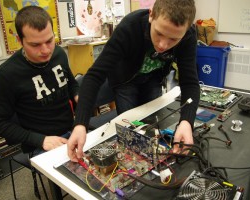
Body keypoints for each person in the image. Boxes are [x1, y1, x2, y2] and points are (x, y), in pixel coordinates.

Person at [68, 0, 200, 162]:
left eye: (173, 39)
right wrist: (80, 123)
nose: (163, 45)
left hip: (153, 78)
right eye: (159, 33)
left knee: (152, 124)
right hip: (125, 80)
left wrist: (186, 122)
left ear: (186, 30)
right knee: (130, 133)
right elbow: (95, 75)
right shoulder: (129, 27)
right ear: (151, 14)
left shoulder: (188, 36)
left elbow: (190, 82)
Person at [0, 5, 78, 171]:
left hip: (72, 129)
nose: (45, 50)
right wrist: (40, 140)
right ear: (19, 40)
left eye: (49, 41)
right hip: (40, 143)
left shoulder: (58, 53)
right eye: (35, 45)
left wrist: (78, 95)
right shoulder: (6, 75)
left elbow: (71, 83)